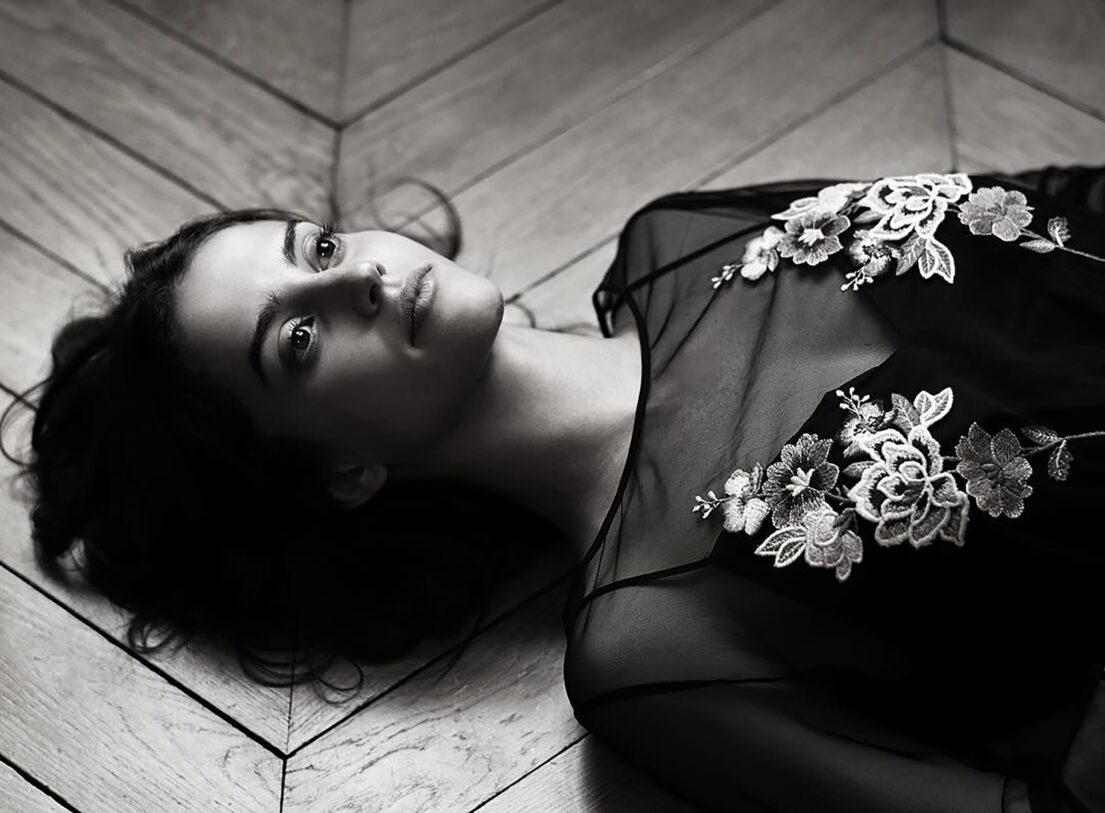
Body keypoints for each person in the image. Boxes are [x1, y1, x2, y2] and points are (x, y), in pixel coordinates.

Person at [4, 167, 1104, 811]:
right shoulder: (653, 643)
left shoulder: (676, 241)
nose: (360, 277)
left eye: (319, 245)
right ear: (341, 475)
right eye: (299, 336)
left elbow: (1060, 206)